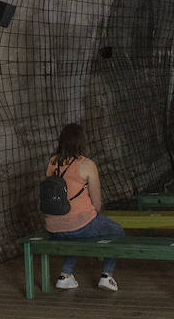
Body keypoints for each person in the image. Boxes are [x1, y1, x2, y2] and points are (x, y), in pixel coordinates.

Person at [43, 123, 124, 292]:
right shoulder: (87, 164)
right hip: (79, 225)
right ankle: (106, 276)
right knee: (117, 231)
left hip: (52, 227)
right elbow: (97, 203)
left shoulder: (52, 162)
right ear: (82, 142)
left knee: (76, 234)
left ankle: (65, 275)